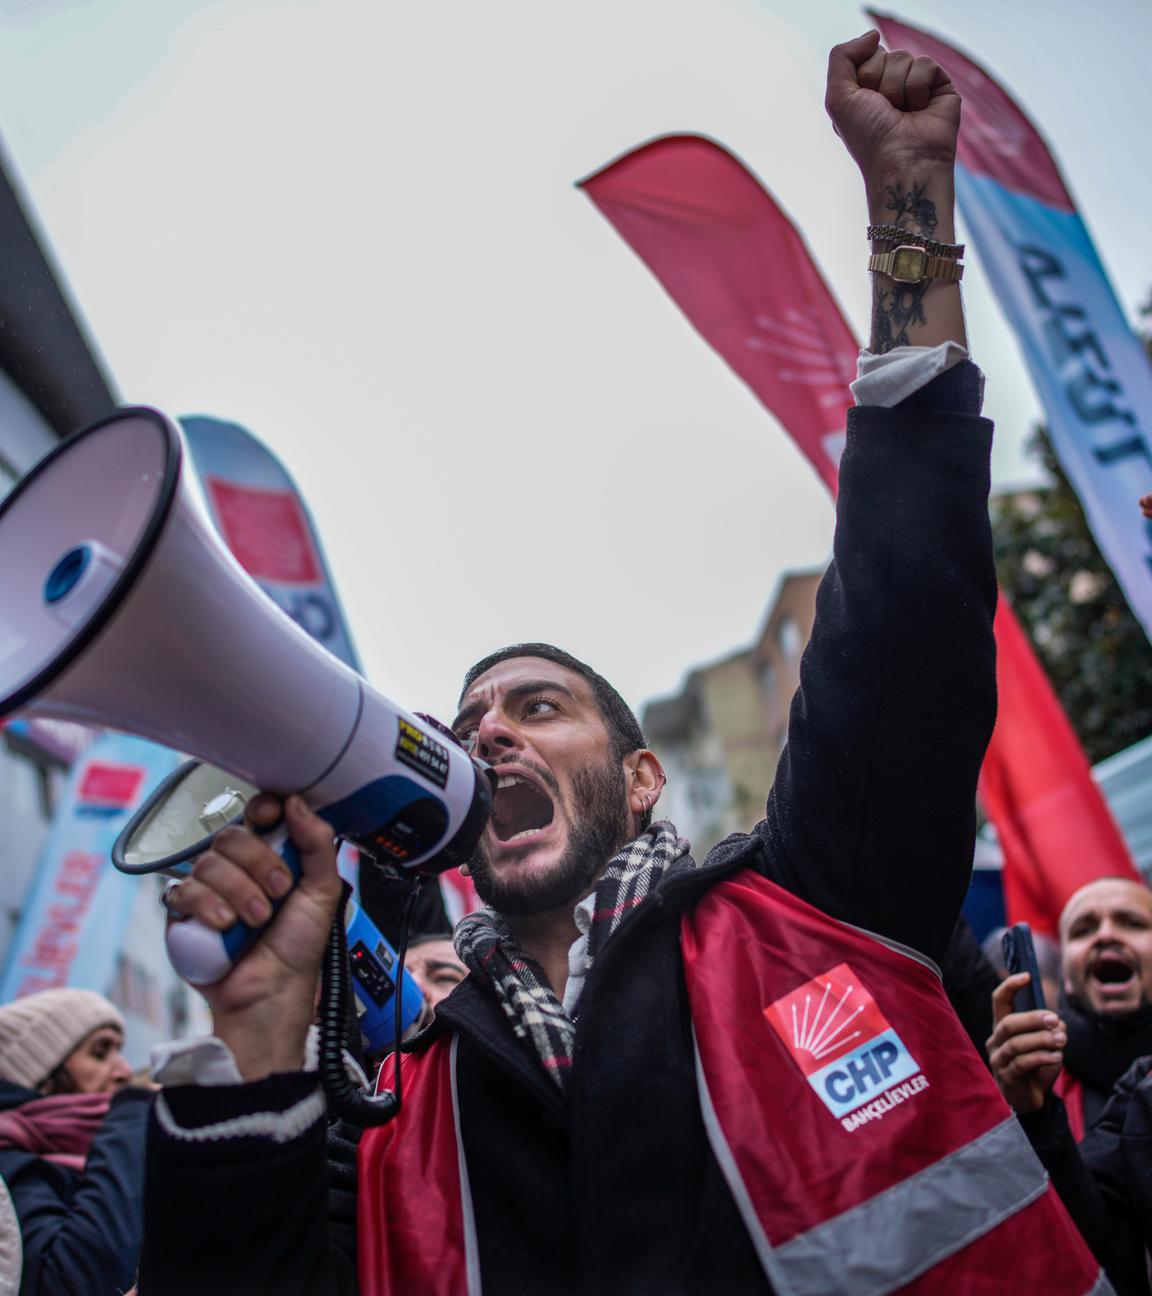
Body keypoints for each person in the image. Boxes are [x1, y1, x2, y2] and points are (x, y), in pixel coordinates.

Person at [141, 32, 1106, 1296]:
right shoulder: (391, 1108)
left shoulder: (818, 904)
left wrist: (910, 208)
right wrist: (266, 1037)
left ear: (644, 779)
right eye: (471, 718)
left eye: (538, 707)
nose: (488, 735)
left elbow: (905, 608)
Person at [0, 988, 153, 1294]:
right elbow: (75, 1281)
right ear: (41, 1076)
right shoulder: (10, 1166)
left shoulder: (112, 1150)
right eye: (100, 1051)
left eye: (119, 1051)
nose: (124, 1071)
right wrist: (129, 1116)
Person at [988, 877, 1152, 1142]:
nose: (1105, 935)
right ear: (1066, 976)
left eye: (1132, 923)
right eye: (1083, 930)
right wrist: (1031, 1115)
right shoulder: (1036, 1082)